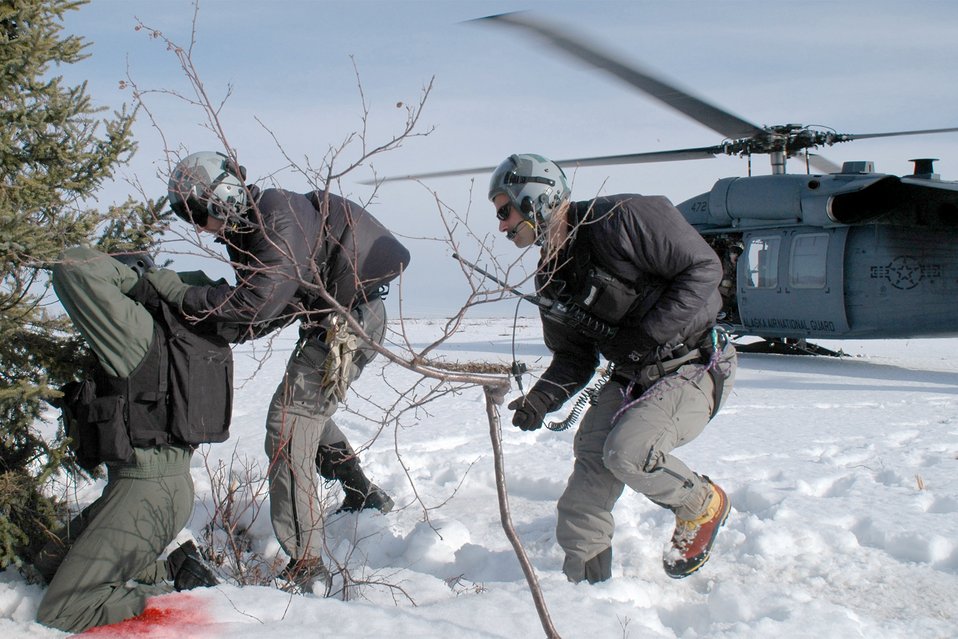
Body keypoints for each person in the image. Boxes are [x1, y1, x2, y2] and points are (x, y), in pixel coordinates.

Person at [148, 151, 410, 590]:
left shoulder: (277, 212)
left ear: (220, 198)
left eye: (195, 212)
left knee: (288, 424)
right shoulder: (248, 231)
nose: (195, 225)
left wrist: (183, 297)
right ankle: (363, 494)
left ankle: (308, 565)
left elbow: (261, 300)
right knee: (307, 416)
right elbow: (266, 310)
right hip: (328, 322)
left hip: (349, 324)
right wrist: (210, 322)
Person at [489, 153, 737, 582]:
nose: (503, 226)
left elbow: (703, 270)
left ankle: (703, 505)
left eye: (505, 210)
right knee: (590, 463)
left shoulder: (624, 219)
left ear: (535, 198)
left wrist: (645, 336)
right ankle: (585, 590)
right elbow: (575, 356)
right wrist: (541, 400)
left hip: (694, 363)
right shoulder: (552, 277)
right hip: (633, 375)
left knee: (628, 452)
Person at [36, 248, 226, 633]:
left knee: (63, 610)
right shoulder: (187, 331)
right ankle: (175, 567)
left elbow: (72, 266)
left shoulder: (138, 333)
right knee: (47, 560)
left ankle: (174, 596)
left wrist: (136, 281)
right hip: (165, 486)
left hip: (144, 491)